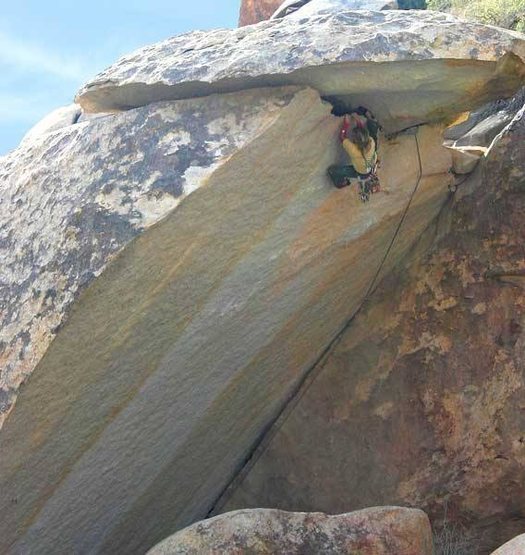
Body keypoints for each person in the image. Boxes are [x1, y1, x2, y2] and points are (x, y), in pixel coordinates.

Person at [328, 108, 381, 202]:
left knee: (333, 171)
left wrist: (346, 124)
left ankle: (341, 183)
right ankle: (371, 120)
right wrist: (358, 121)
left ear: (354, 141)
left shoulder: (353, 150)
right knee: (373, 133)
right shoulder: (371, 142)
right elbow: (363, 136)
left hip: (361, 172)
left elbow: (342, 137)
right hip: (370, 166)